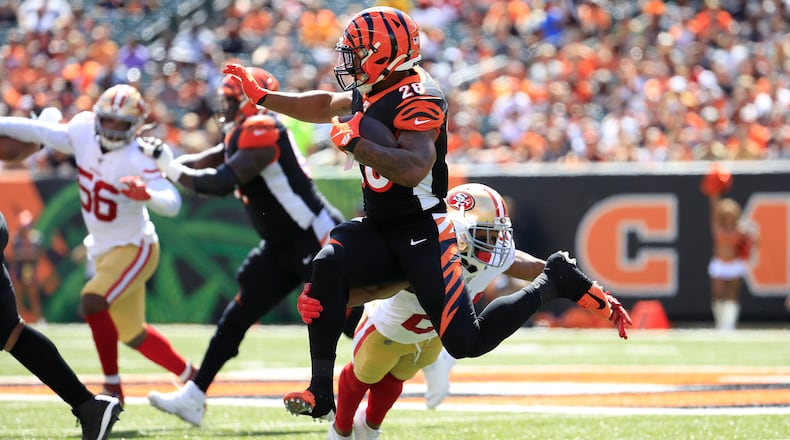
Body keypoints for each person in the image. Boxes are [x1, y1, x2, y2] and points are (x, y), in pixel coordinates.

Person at [222, 6, 629, 421]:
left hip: (423, 230)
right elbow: (326, 103)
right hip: (381, 224)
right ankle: (320, 391)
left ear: (385, 53)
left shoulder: (420, 96)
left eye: (359, 52)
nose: (351, 62)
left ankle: (552, 282)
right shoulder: (377, 83)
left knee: (465, 342)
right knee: (325, 269)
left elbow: (414, 166)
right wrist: (265, 98)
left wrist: (356, 145)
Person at [296, 183, 631, 439]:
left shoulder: (493, 251)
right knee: (366, 374)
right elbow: (375, 289)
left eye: (497, 232)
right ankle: (340, 431)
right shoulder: (425, 259)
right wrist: (329, 300)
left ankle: (369, 428)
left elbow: (527, 265)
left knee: (397, 378)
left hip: (433, 337)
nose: (496, 242)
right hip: (388, 328)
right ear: (458, 234)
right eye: (486, 234)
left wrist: (583, 287)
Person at [140, 68, 344, 426]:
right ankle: (195, 395)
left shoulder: (264, 129)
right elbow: (201, 162)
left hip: (312, 236)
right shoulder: (242, 132)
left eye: (233, 98)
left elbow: (219, 182)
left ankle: (411, 357)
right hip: (281, 244)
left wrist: (169, 170)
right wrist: (157, 164)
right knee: (238, 314)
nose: (225, 106)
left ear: (253, 99)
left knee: (347, 317)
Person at [0, 84, 196, 406]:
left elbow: (172, 202)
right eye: (107, 120)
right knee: (133, 333)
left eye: (121, 123)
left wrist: (147, 195)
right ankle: (194, 378)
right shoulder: (82, 131)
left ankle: (112, 388)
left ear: (135, 125)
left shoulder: (139, 155)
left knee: (92, 300)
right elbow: (38, 130)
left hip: (135, 247)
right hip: (104, 249)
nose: (112, 128)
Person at [0, 216, 121, 438]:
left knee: (12, 332)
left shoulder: (34, 239)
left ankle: (89, 406)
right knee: (11, 334)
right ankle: (89, 408)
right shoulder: (21, 239)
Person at [705, 192, 755, 331]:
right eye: (726, 215)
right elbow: (714, 209)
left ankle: (729, 325)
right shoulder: (718, 227)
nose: (728, 218)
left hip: (734, 264)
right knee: (718, 293)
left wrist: (749, 238)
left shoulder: (740, 229)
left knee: (732, 294)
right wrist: (714, 192)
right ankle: (719, 322)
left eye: (731, 215)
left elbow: (753, 242)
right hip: (720, 264)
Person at [9, 210, 45, 323]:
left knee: (33, 295)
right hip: (19, 267)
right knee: (18, 296)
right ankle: (18, 319)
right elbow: (12, 256)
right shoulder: (16, 238)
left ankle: (38, 319)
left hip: (30, 268)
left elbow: (39, 255)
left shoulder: (36, 238)